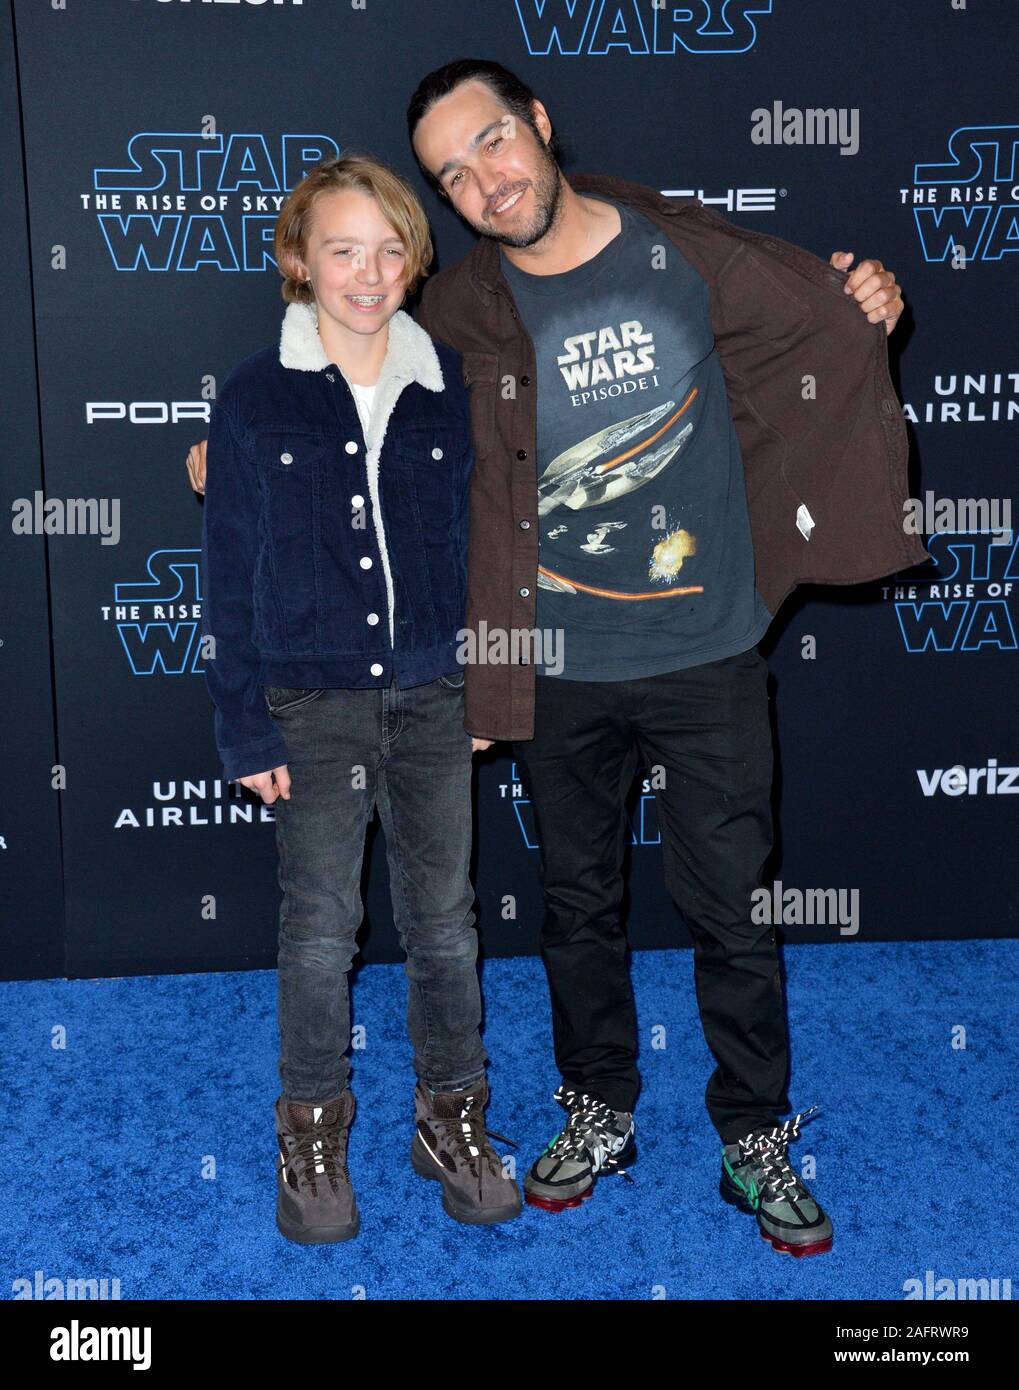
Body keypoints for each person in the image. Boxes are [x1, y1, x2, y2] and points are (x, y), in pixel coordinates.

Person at [189, 61, 920, 1260]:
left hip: (708, 649)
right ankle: (599, 1111)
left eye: (490, 143)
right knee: (576, 909)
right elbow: (346, 387)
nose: (483, 179)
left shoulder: (680, 246)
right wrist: (221, 451)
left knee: (731, 907)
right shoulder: (463, 313)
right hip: (556, 670)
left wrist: (863, 298)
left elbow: (809, 319)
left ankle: (753, 1134)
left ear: (535, 124)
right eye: (452, 172)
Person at [199, 152, 521, 1244]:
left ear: (413, 259)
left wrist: (486, 682)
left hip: (433, 695)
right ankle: (309, 1129)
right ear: (299, 260)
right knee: (319, 931)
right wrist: (244, 721)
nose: (368, 272)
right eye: (342, 249)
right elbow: (227, 568)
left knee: (444, 923)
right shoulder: (252, 394)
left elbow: (478, 553)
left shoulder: (448, 383)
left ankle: (451, 1118)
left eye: (390, 249)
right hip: (310, 704)